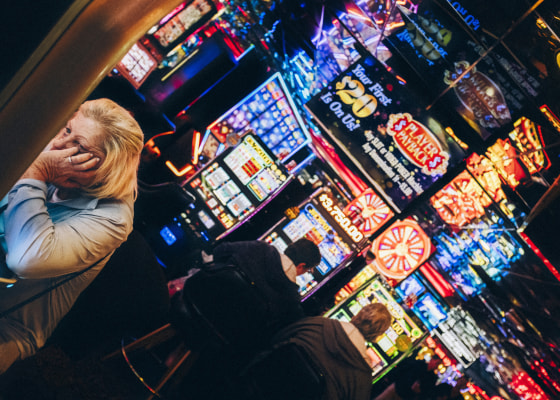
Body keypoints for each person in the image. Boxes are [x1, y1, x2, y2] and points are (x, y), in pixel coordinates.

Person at [0, 98, 144, 374]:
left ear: (106, 168)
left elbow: (26, 258)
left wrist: (36, 172)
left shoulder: (114, 219)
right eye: (67, 131)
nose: (59, 146)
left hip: (7, 323)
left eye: (80, 148)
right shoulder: (55, 147)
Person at [271, 302, 393, 400]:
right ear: (375, 338)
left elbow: (277, 338)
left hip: (259, 382)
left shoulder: (317, 323)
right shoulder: (362, 380)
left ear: (357, 315)